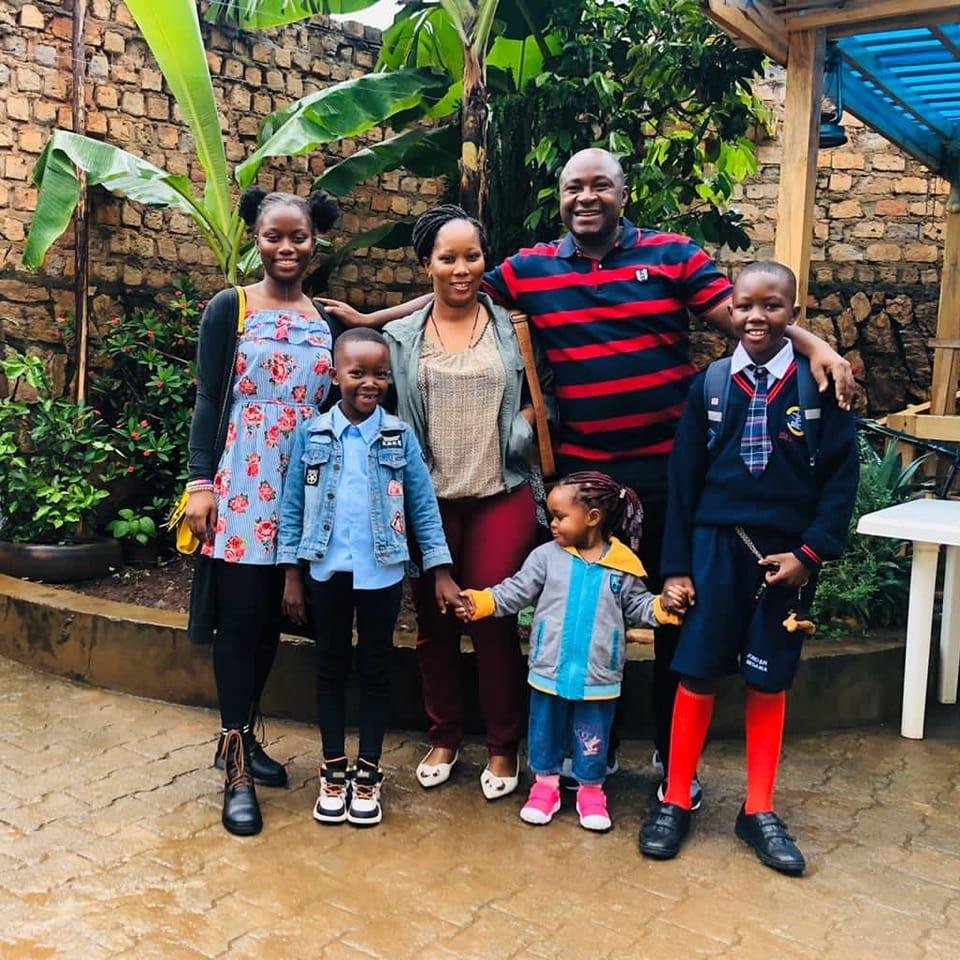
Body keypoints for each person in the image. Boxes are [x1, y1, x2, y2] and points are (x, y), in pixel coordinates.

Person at [318, 148, 854, 809]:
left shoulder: (673, 256)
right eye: (575, 187)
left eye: (601, 185)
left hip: (664, 470)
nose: (587, 197)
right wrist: (372, 323)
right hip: (582, 479)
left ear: (624, 194)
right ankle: (584, 750)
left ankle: (670, 758)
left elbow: (749, 320)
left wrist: (815, 344)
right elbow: (453, 288)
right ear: (561, 197)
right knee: (583, 611)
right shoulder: (531, 268)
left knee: (673, 608)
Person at [638, 261, 859, 875]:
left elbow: (841, 478)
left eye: (772, 306)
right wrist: (676, 568)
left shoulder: (818, 387)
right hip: (714, 548)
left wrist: (810, 554)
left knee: (769, 678)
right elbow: (683, 481)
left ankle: (758, 807)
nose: (757, 317)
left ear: (794, 313)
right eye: (745, 306)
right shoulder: (710, 385)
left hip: (784, 558)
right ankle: (675, 796)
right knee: (698, 670)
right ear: (729, 311)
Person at [379, 204, 555, 800]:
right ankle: (445, 736)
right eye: (448, 258)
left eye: (473, 256)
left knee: (492, 617)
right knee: (433, 625)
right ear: (426, 264)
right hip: (428, 500)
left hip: (500, 493)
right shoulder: (401, 338)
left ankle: (504, 745)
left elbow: (546, 393)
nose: (462, 269)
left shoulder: (514, 327)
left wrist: (524, 425)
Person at [185, 186, 339, 836]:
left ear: (314, 240)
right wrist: (199, 483)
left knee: (273, 620)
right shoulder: (232, 307)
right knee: (241, 620)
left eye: (298, 237)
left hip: (303, 490)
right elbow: (205, 398)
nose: (286, 247)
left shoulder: (327, 317)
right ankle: (236, 768)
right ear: (256, 237)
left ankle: (246, 737)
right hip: (243, 487)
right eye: (274, 236)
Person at [277, 328, 459, 827]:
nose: (370, 383)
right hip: (326, 572)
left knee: (376, 670)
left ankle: (369, 772)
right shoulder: (312, 434)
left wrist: (440, 570)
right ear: (335, 374)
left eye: (380, 373)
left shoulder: (399, 436)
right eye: (357, 372)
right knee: (330, 668)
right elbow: (292, 508)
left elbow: (423, 507)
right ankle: (333, 769)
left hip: (382, 575)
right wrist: (291, 574)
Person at [457, 472, 684, 831]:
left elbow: (639, 606)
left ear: (592, 518)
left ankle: (591, 791)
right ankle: (545, 787)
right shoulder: (545, 558)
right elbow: (516, 591)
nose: (552, 524)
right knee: (544, 731)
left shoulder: (622, 565)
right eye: (551, 515)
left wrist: (662, 609)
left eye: (560, 516)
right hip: (549, 668)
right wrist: (483, 602)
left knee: (593, 736)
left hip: (599, 675)